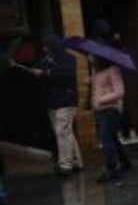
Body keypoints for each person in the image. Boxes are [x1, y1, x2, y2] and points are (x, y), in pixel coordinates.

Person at [30, 36, 83, 175]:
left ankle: (65, 164)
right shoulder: (45, 60)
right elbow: (37, 70)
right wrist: (35, 72)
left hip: (66, 99)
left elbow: (65, 73)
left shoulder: (69, 59)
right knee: (66, 132)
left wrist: (46, 73)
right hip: (52, 101)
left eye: (46, 46)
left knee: (61, 131)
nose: (44, 49)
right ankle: (76, 161)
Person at [90, 55, 130, 182]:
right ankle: (125, 163)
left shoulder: (112, 70)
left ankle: (112, 170)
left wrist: (100, 100)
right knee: (112, 139)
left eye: (93, 57)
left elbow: (119, 92)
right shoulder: (97, 72)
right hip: (101, 111)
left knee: (106, 140)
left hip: (110, 110)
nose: (91, 59)